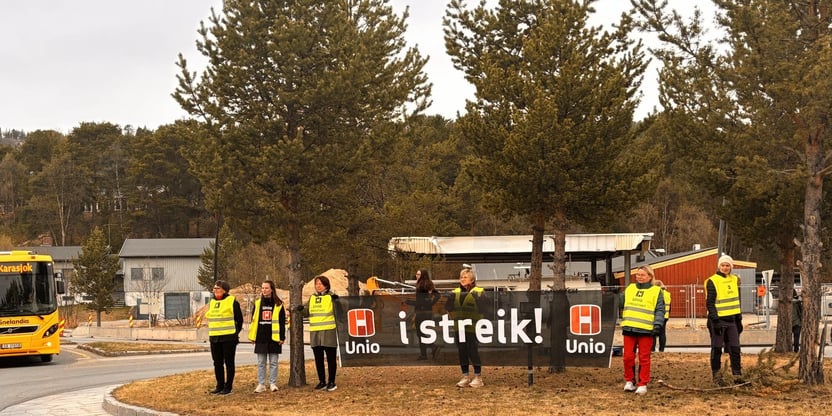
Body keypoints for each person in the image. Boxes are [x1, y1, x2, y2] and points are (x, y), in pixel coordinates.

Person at [621, 265, 665, 395]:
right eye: (638, 275)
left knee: (644, 358)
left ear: (650, 277)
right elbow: (620, 303)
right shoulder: (630, 288)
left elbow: (660, 310)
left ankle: (642, 383)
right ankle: (629, 381)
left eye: (642, 275)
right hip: (629, 328)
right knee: (627, 357)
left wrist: (657, 325)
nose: (639, 277)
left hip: (646, 330)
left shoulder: (657, 291)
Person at [297, 275, 339, 392]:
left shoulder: (332, 297)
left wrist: (338, 301)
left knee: (331, 358)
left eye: (320, 284)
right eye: (316, 284)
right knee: (318, 359)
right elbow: (307, 312)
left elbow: (339, 311)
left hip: (328, 332)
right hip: (315, 333)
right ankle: (322, 381)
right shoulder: (312, 298)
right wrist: (301, 309)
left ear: (326, 285)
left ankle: (331, 381)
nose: (318, 286)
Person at [706, 255, 743, 385]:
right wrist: (715, 321)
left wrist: (739, 319)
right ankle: (717, 377)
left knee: (735, 348)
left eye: (727, 265)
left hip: (732, 320)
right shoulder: (712, 281)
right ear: (719, 266)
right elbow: (710, 303)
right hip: (718, 321)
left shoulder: (735, 280)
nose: (725, 268)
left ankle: (737, 375)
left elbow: (736, 301)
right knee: (717, 349)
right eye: (723, 265)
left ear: (731, 267)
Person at [446, 267, 486, 388]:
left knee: (473, 351)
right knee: (462, 351)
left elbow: (484, 307)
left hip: (473, 328)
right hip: (460, 328)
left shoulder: (479, 291)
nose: (462, 279)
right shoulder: (455, 292)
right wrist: (450, 300)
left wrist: (477, 299)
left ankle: (478, 377)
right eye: (461, 277)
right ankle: (465, 376)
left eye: (465, 277)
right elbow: (448, 307)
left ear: (472, 280)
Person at [248, 279, 286, 393]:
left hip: (274, 337)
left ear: (272, 289)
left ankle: (273, 383)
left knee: (273, 362)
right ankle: (261, 384)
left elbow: (281, 322)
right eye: (262, 288)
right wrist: (253, 336)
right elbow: (254, 321)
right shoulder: (258, 303)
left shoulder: (278, 304)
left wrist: (282, 337)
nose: (264, 290)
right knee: (261, 362)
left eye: (266, 288)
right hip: (261, 337)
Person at [206, 280, 243, 395]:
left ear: (224, 290)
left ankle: (228, 387)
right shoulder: (212, 302)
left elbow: (239, 320)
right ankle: (219, 385)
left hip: (229, 338)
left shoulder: (232, 302)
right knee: (217, 363)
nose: (215, 290)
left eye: (217, 288)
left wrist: (235, 333)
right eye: (214, 288)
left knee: (229, 363)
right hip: (215, 338)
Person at [412, 269, 442, 360]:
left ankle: (429, 349)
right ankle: (427, 351)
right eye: (416, 274)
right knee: (422, 332)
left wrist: (428, 303)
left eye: (418, 274)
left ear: (422, 275)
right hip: (427, 311)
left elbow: (420, 300)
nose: (416, 276)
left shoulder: (422, 285)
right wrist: (431, 303)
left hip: (422, 312)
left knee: (420, 333)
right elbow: (437, 295)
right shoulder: (428, 284)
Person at [651, 280, 671, 352]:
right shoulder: (667, 294)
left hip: (656, 315)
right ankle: (661, 349)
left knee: (653, 333)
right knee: (662, 333)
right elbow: (670, 306)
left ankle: (652, 349)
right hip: (665, 315)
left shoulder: (656, 293)